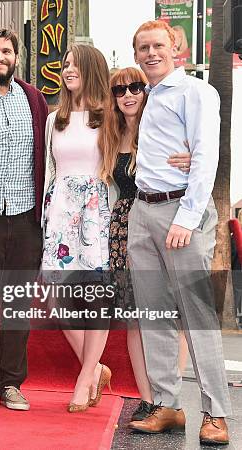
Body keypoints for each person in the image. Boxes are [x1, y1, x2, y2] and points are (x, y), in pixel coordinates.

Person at [126, 20, 231, 445]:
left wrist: (186, 219)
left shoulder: (196, 91)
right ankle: (168, 405)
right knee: (155, 314)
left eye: (158, 46)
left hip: (180, 211)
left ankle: (217, 414)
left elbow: (206, 155)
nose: (151, 53)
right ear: (135, 55)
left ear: (176, 48)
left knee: (198, 317)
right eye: (143, 47)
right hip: (143, 209)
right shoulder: (149, 95)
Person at [100, 67, 191, 421]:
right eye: (120, 89)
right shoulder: (110, 135)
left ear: (146, 90)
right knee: (136, 318)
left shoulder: (164, 130)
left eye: (135, 86)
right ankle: (148, 395)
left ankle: (171, 397)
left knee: (171, 314)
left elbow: (195, 161)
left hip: (163, 225)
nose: (128, 94)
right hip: (123, 229)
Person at [0, 28, 48, 412]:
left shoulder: (34, 99)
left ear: (16, 56)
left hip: (25, 214)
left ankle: (12, 383)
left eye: (5, 51)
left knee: (16, 301)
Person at [41, 43, 112, 413]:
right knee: (56, 296)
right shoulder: (56, 119)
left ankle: (85, 377)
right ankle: (96, 366)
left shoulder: (109, 116)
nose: (67, 69)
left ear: (92, 69)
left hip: (96, 211)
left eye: (75, 65)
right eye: (65, 64)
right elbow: (49, 172)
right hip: (59, 212)